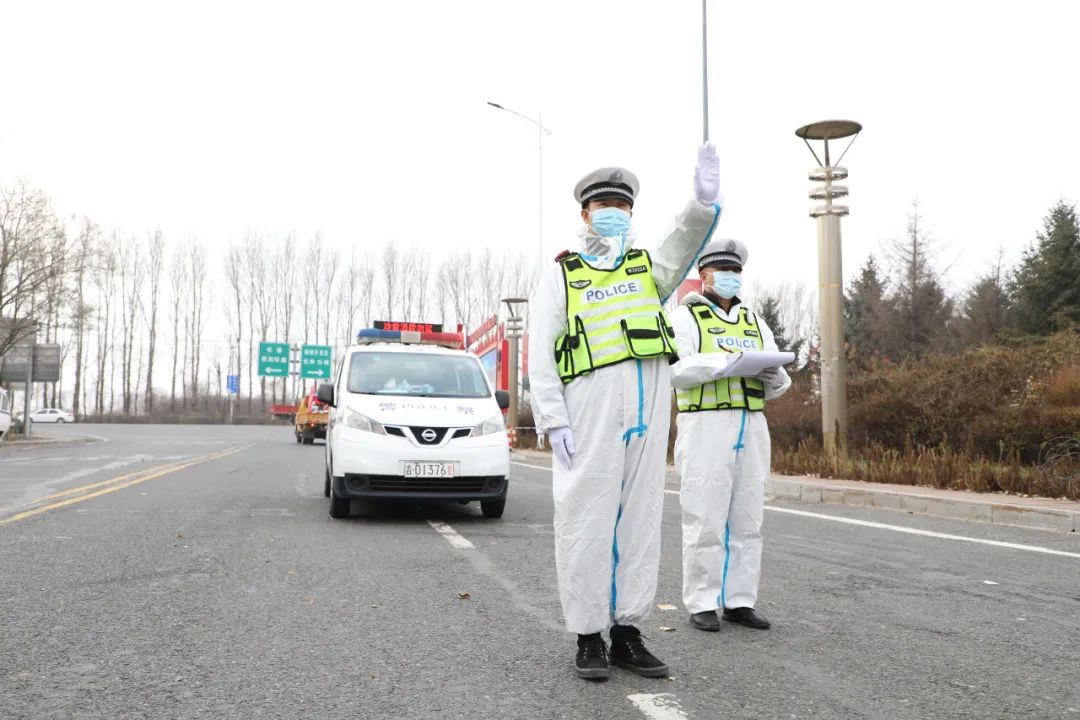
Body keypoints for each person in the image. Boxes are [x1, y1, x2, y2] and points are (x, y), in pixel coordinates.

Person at [530, 144, 723, 680]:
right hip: (589, 411)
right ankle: (588, 636)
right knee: (586, 520)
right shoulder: (563, 275)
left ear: (631, 213)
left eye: (622, 204)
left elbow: (683, 243)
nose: (613, 212)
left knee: (639, 522)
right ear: (585, 214)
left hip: (647, 409)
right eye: (604, 205)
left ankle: (626, 632)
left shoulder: (646, 269)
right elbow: (541, 354)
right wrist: (553, 418)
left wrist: (701, 206)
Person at [669, 238, 791, 633]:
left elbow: (779, 382)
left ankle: (740, 601)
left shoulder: (753, 320)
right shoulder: (685, 317)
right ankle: (702, 601)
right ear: (703, 274)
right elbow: (675, 371)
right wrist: (725, 363)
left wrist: (773, 376)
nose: (730, 277)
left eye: (736, 271)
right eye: (723, 270)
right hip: (706, 424)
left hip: (751, 424)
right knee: (704, 517)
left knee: (748, 519)